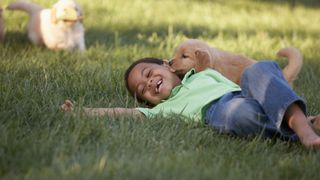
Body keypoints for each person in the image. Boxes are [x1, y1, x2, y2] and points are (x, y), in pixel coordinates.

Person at [61, 57, 320, 149]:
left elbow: (253, 78)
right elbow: (125, 112)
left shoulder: (203, 73)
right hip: (224, 110)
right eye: (142, 90)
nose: (149, 84)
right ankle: (302, 125)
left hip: (248, 93)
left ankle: (302, 125)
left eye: (149, 74)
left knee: (259, 69)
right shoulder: (164, 109)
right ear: (147, 102)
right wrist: (84, 111)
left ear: (168, 65)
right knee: (238, 113)